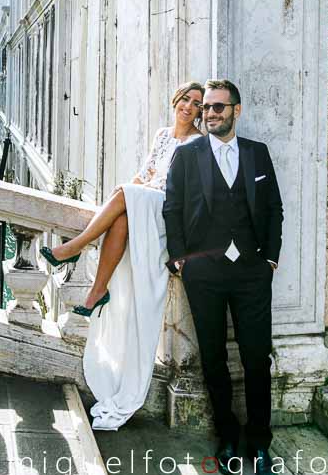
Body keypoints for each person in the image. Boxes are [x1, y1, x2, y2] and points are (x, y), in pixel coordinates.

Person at [39, 81, 204, 430]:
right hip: (144, 205)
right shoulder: (163, 136)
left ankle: (74, 247)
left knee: (126, 196)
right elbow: (142, 176)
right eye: (186, 100)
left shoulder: (198, 143)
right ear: (175, 100)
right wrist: (124, 199)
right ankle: (98, 289)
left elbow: (185, 193)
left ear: (201, 113)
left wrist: (130, 193)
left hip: (166, 211)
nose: (189, 107)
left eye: (197, 104)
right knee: (121, 218)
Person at [163, 78, 283, 475]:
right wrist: (180, 260)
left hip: (252, 274)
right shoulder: (188, 155)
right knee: (213, 358)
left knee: (255, 359)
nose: (209, 113)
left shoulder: (257, 154)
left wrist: (270, 258)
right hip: (205, 273)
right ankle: (228, 438)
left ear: (236, 110)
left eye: (218, 107)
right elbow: (172, 206)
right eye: (206, 108)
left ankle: (260, 443)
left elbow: (274, 209)